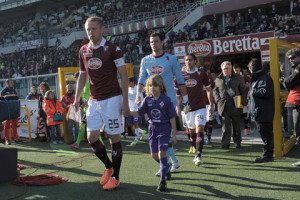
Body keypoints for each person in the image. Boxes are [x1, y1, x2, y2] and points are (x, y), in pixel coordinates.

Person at [73, 16, 130, 191]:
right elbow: (82, 75)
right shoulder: (83, 50)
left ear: (102, 29)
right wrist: (76, 98)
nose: (91, 32)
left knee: (114, 137)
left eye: (94, 29)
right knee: (91, 137)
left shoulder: (112, 48)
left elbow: (123, 75)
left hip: (113, 99)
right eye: (88, 29)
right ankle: (108, 166)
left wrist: (126, 102)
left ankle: (116, 177)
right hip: (94, 101)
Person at [136, 32, 188, 175]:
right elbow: (141, 79)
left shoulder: (171, 59)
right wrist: (139, 95)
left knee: (167, 134)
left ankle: (168, 164)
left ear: (162, 42)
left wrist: (186, 99)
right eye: (152, 42)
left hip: (168, 101)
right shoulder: (145, 60)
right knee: (158, 135)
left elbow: (180, 79)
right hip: (152, 103)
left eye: (156, 41)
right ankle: (173, 162)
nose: (154, 44)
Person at [130, 74, 177, 192]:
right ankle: (167, 167)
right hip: (152, 129)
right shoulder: (147, 100)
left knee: (162, 154)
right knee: (154, 155)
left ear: (161, 86)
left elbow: (172, 118)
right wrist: (127, 111)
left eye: (155, 85)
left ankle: (162, 182)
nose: (153, 88)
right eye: (151, 85)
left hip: (164, 129)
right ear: (147, 87)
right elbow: (139, 113)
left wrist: (174, 134)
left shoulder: (166, 100)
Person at [181, 55, 214, 165]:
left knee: (200, 129)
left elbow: (209, 90)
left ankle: (199, 155)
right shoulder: (180, 75)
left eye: (190, 59)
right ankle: (195, 150)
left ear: (195, 61)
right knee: (192, 132)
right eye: (186, 60)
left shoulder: (201, 74)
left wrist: (212, 105)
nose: (188, 61)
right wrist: (177, 107)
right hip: (186, 108)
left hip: (200, 106)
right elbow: (177, 94)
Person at [214, 61, 248, 149]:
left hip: (235, 104)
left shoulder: (238, 77)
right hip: (224, 105)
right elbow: (216, 90)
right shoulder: (218, 78)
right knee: (225, 126)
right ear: (222, 69)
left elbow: (244, 90)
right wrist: (218, 100)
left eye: (227, 68)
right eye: (224, 68)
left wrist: (243, 102)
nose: (226, 70)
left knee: (236, 124)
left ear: (231, 69)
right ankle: (225, 143)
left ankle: (237, 142)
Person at [247, 58, 274, 163]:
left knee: (266, 134)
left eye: (249, 67)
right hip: (260, 111)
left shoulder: (264, 77)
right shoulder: (259, 78)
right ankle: (268, 155)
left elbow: (267, 92)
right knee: (264, 134)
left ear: (252, 67)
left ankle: (267, 156)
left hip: (264, 111)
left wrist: (253, 91)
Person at [284, 48, 300, 148]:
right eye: (289, 59)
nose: (291, 60)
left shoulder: (298, 70)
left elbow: (287, 83)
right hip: (296, 103)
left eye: (292, 58)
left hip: (298, 103)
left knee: (298, 131)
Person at [1, 79, 19, 145]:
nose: (12, 83)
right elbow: (2, 102)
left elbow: (17, 100)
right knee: (7, 126)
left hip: (14, 111)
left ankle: (16, 138)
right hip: (7, 111)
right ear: (7, 83)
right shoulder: (3, 91)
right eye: (11, 82)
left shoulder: (14, 90)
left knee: (15, 125)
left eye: (12, 82)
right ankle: (7, 140)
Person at [128, 77, 145, 145]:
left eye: (129, 82)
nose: (128, 83)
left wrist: (140, 107)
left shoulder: (137, 89)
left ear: (133, 82)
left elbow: (141, 99)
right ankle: (142, 131)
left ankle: (136, 139)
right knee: (130, 124)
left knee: (136, 124)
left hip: (136, 110)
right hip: (130, 109)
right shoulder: (128, 89)